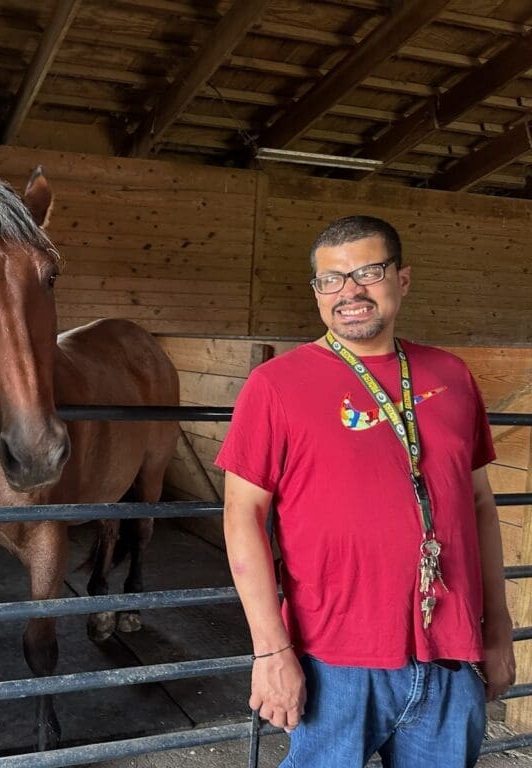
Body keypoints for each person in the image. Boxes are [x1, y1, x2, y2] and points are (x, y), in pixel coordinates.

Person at [217, 215, 516, 767]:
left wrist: (497, 629)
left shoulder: (451, 375)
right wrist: (270, 649)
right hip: (334, 661)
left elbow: (478, 504)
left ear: (402, 280)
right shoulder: (276, 385)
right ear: (316, 292)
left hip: (452, 657)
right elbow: (241, 516)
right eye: (330, 279)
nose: (349, 291)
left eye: (368, 272)